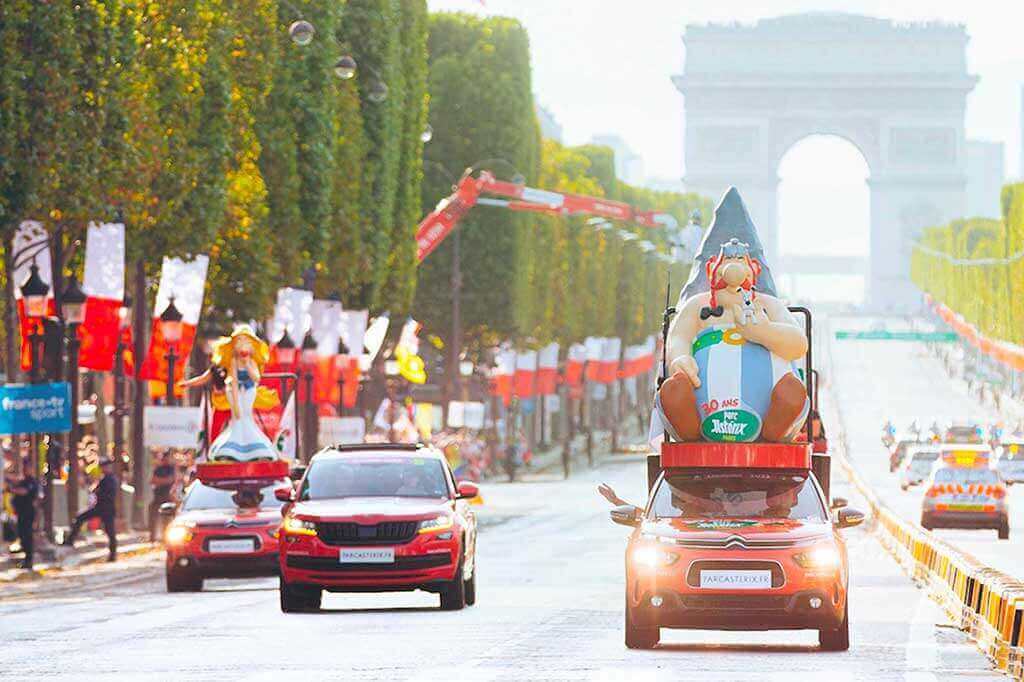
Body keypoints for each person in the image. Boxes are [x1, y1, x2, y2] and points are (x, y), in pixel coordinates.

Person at [65, 457, 118, 561]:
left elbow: (106, 494)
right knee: (80, 518)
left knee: (110, 531)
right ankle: (70, 540)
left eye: (105, 466)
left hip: (106, 509)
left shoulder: (111, 479)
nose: (103, 468)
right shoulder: (106, 478)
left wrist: (97, 491)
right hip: (101, 508)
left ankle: (113, 554)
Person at [6, 459, 39, 569]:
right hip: (21, 513)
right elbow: (15, 482)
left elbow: (24, 491)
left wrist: (12, 490)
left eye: (27, 467)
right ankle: (26, 559)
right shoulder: (23, 481)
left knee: (27, 536)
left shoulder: (32, 482)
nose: (25, 470)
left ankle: (29, 561)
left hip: (28, 513)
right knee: (21, 535)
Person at [149, 450, 176, 541]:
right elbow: (152, 481)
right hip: (157, 496)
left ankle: (166, 537)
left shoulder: (172, 469)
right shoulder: (158, 469)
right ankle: (152, 537)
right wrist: (163, 481)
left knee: (167, 519)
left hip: (167, 497)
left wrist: (160, 481)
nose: (165, 460)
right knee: (152, 516)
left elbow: (171, 480)